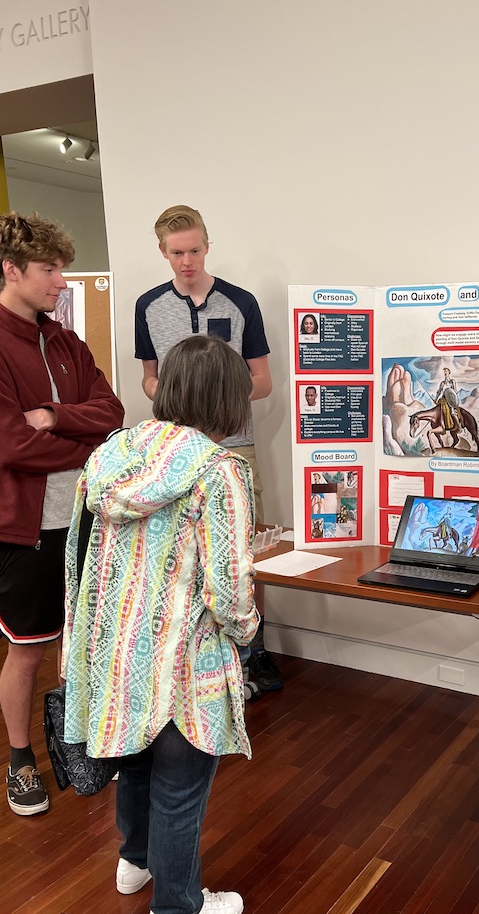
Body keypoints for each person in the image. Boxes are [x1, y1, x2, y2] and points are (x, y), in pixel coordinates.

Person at [62, 334, 259, 914]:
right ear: (227, 399)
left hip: (113, 652)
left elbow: (79, 559)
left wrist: (82, 649)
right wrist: (247, 631)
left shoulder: (110, 454)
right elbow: (229, 585)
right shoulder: (218, 470)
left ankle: (135, 861)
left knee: (136, 769)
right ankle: (176, 912)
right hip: (183, 659)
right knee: (180, 781)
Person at [0, 211, 124, 816]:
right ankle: (19, 759)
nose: (62, 282)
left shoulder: (63, 339)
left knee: (83, 642)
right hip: (23, 526)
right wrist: (85, 443)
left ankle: (77, 743)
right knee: (30, 647)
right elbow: (7, 444)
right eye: (50, 270)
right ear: (11, 271)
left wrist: (56, 416)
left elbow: (110, 410)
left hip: (87, 518)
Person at [134, 204, 282, 692]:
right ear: (163, 252)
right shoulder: (148, 306)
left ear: (207, 245)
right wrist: (173, 398)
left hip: (234, 444)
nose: (187, 261)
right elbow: (149, 379)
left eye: (195, 250)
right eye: (177, 253)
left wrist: (214, 396)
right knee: (180, 549)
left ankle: (253, 649)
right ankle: (189, 652)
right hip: (172, 450)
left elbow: (262, 381)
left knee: (244, 546)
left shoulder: (241, 302)